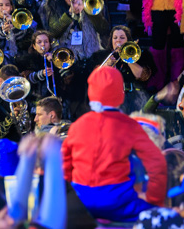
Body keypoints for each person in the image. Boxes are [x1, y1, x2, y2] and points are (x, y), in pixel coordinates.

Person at [62, 66, 166, 223]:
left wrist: (73, 196)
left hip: (81, 203)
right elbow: (157, 165)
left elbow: (65, 167)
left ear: (91, 92)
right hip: (118, 203)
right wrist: (154, 200)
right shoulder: (130, 126)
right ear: (121, 93)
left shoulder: (77, 125)